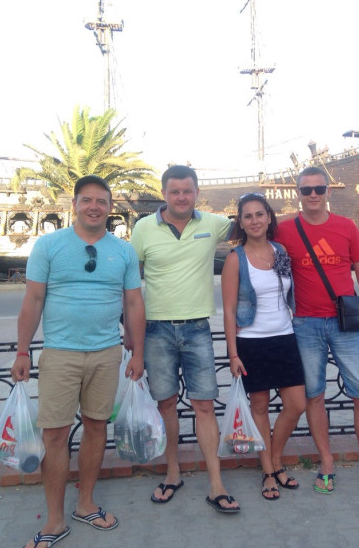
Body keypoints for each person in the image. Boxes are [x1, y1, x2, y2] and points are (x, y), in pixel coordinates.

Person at [11, 175, 146, 548]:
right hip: (60, 354)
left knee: (97, 427)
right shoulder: (49, 246)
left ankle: (86, 504)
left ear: (110, 207)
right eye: (87, 200)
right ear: (74, 205)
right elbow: (33, 300)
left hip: (107, 353)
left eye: (101, 201)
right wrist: (22, 351)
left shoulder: (123, 251)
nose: (94, 207)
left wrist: (138, 352)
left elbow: (134, 302)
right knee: (54, 434)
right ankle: (54, 520)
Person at [274, 166, 359, 495]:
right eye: (306, 190)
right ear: (298, 193)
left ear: (328, 192)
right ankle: (326, 461)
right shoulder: (285, 230)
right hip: (304, 324)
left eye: (319, 189)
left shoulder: (346, 227)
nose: (313, 195)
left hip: (345, 324)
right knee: (314, 396)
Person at [130, 165, 241, 513]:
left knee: (204, 405)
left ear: (197, 193)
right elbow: (130, 284)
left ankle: (216, 482)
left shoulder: (212, 223)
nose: (181, 197)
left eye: (187, 191)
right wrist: (131, 335)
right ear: (164, 194)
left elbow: (256, 224)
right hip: (156, 331)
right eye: (175, 192)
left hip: (197, 329)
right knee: (166, 404)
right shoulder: (143, 228)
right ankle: (173, 472)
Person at [220, 192, 306, 500]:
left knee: (296, 405)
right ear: (241, 223)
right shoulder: (235, 259)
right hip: (252, 343)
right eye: (248, 216)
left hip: (285, 337)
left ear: (269, 218)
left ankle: (276, 458)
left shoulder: (280, 251)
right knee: (260, 407)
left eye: (260, 214)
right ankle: (268, 471)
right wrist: (233, 354)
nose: (254, 220)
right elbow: (229, 310)